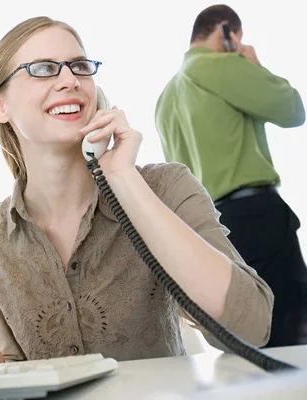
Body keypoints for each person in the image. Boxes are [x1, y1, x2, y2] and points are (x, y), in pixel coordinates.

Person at [0, 15, 274, 372]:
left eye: (79, 66)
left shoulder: (165, 188)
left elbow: (250, 327)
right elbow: (23, 362)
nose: (69, 80)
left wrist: (122, 177)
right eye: (44, 68)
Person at [155, 4, 306, 348]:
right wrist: (253, 64)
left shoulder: (166, 98)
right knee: (292, 334)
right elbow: (293, 110)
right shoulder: (223, 66)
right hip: (257, 217)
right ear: (227, 32)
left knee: (243, 342)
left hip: (209, 232)